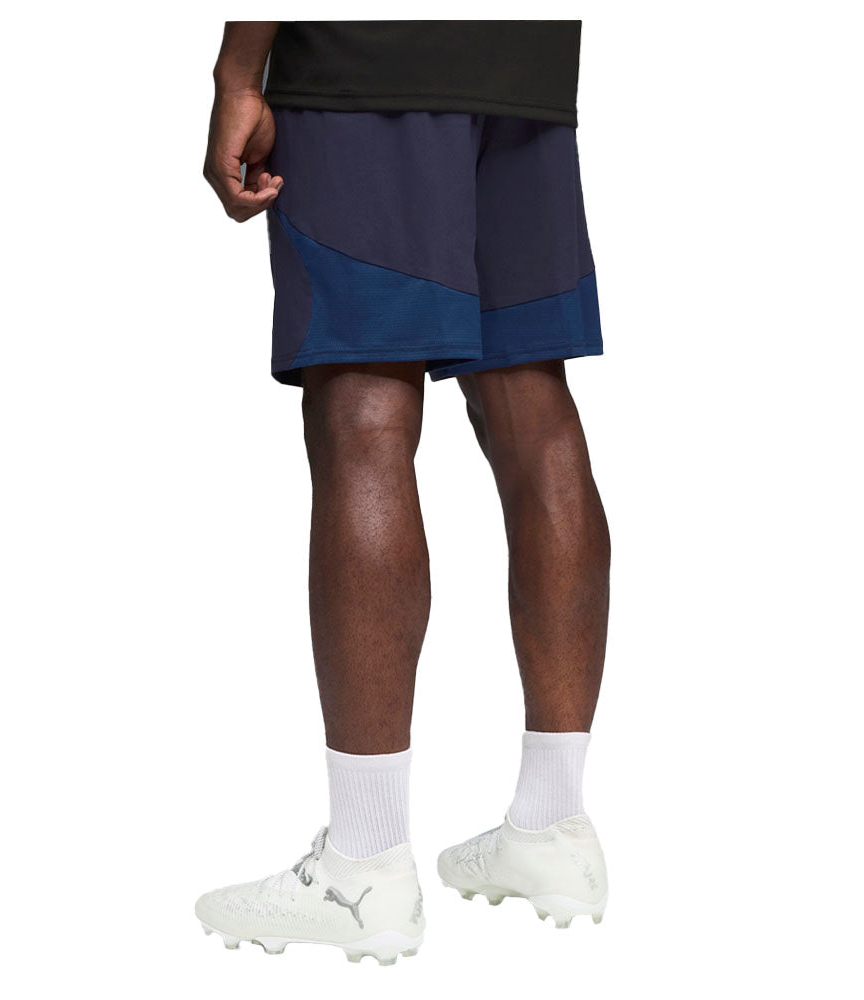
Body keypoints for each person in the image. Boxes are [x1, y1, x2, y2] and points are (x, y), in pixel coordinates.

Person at [196, 21, 610, 964]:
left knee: (364, 407)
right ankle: (552, 825)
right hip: (525, 57)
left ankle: (364, 864)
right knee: (533, 407)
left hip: (368, 56)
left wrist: (237, 68)